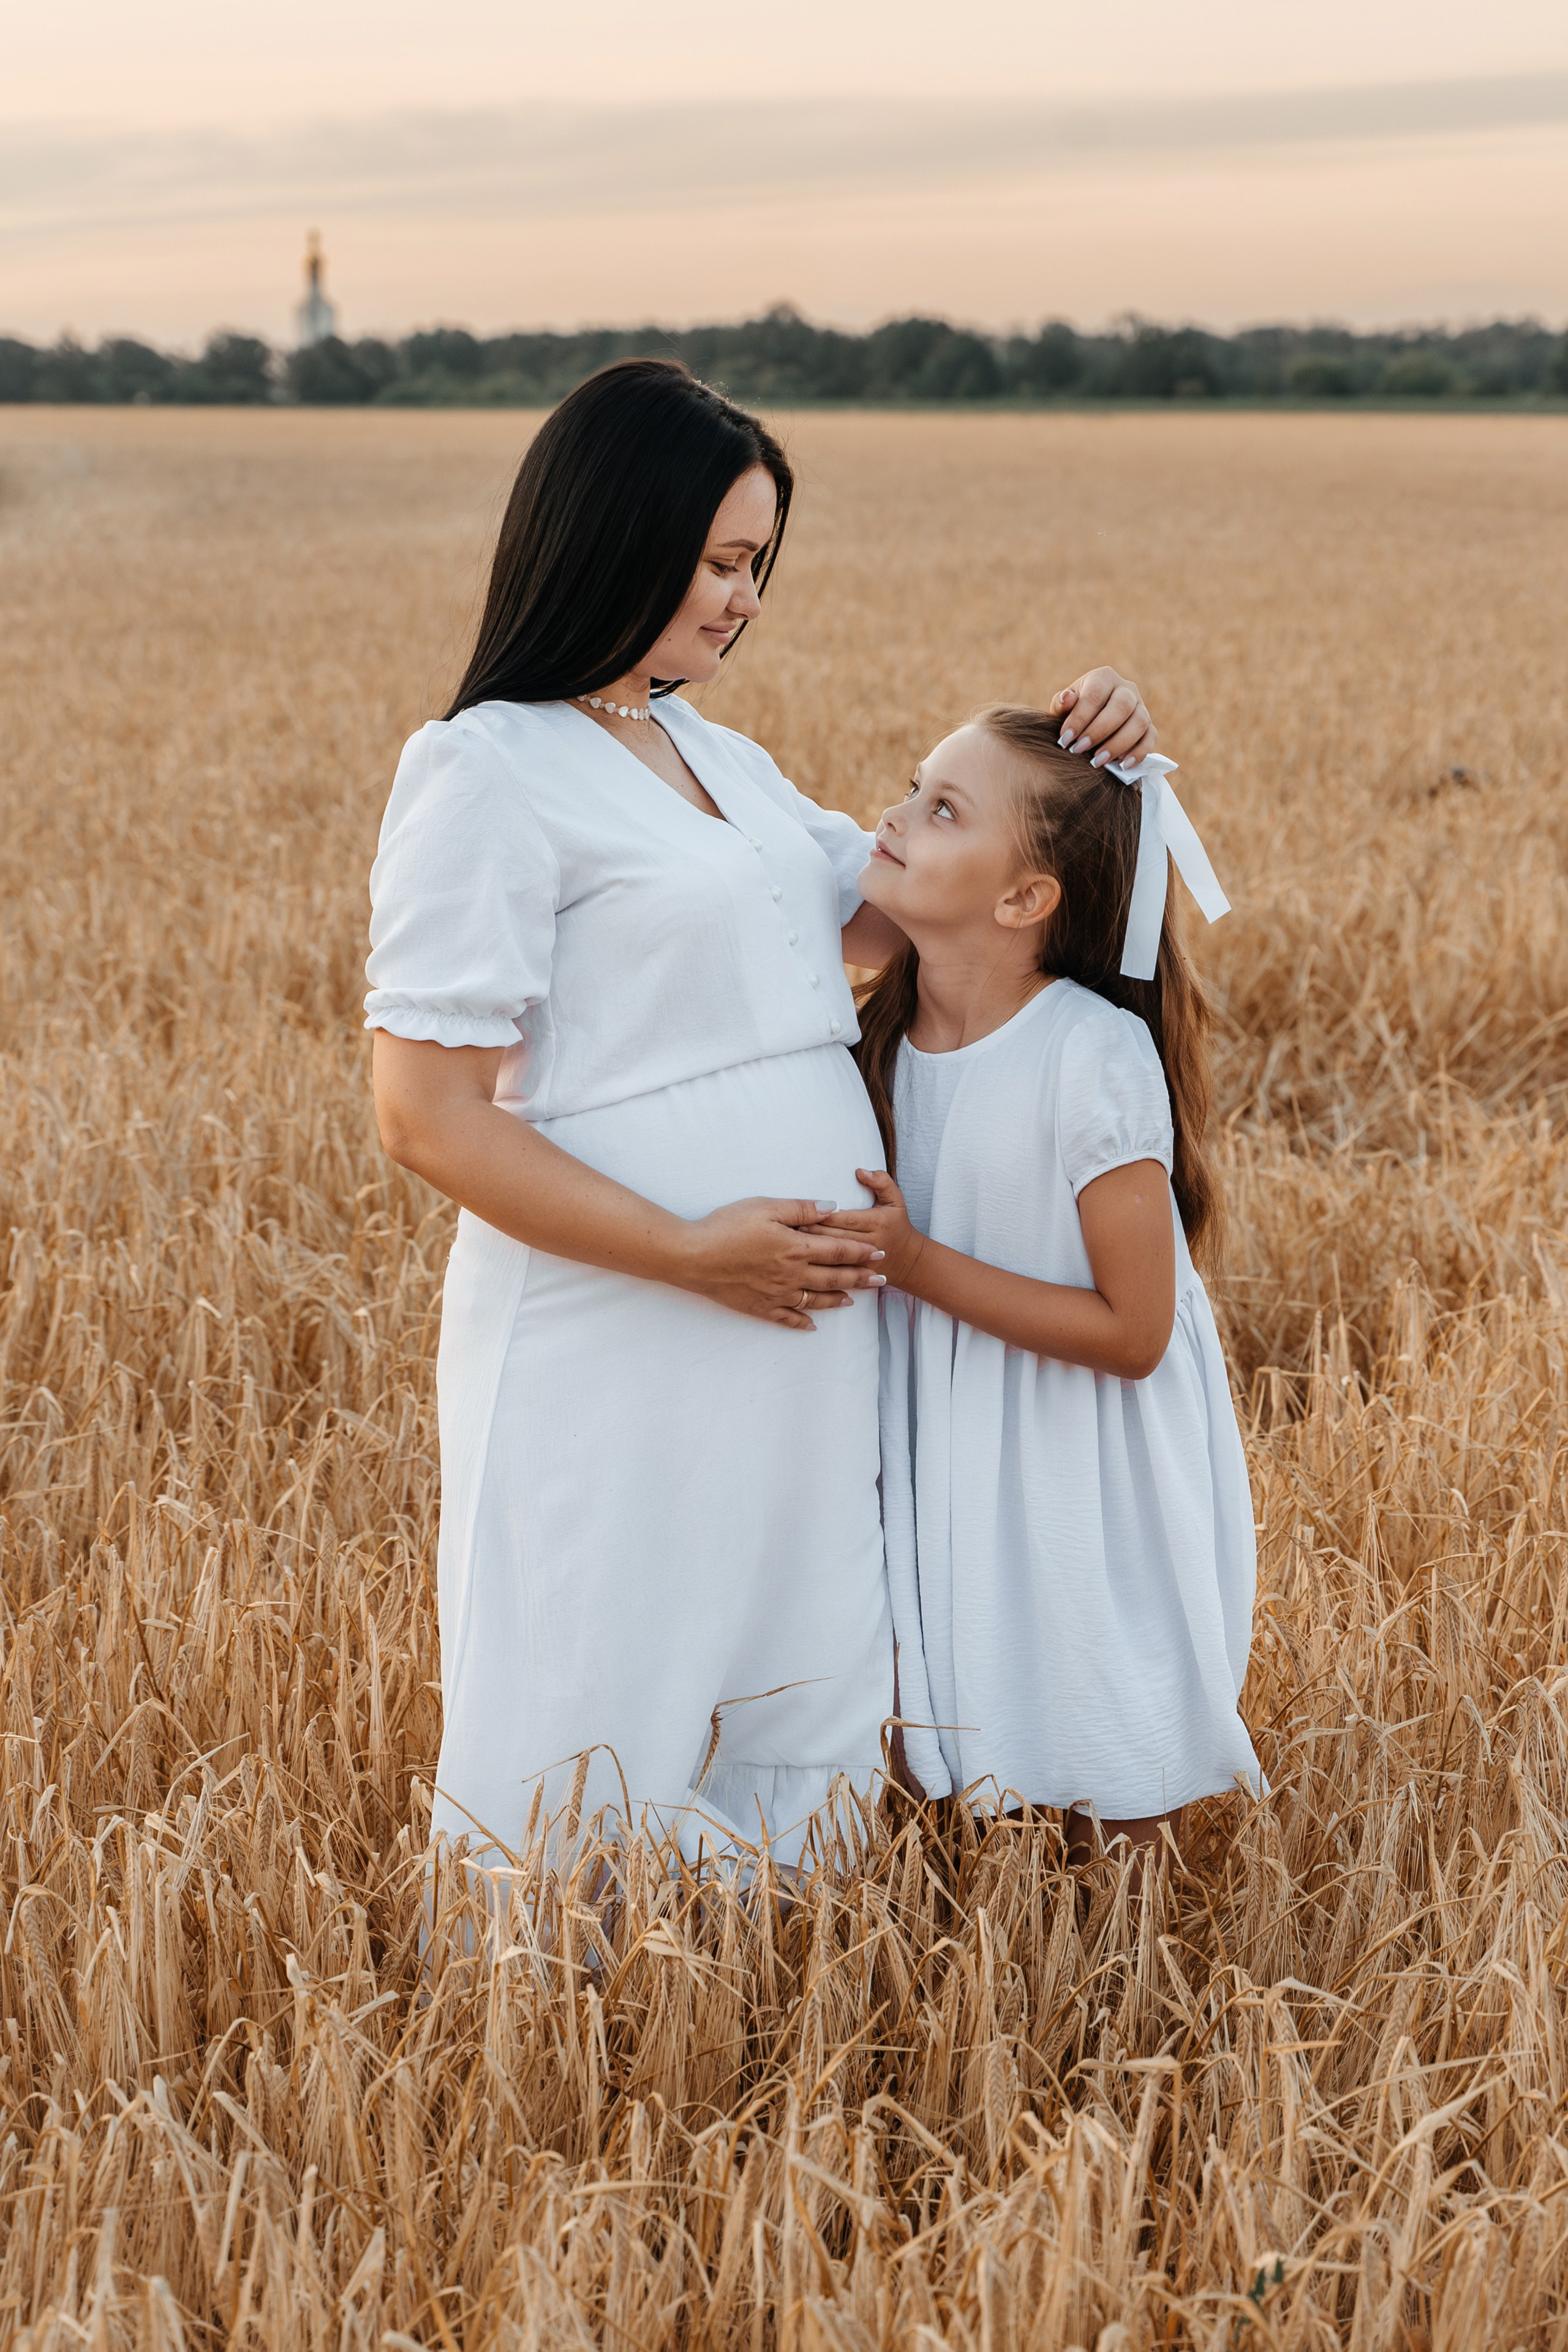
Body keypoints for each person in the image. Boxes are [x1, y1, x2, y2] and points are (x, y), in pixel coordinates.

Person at [366, 358, 1160, 1872]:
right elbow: (424, 1117)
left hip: (793, 1316)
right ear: (618, 531)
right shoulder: (483, 770)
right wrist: (682, 1249)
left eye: (758, 567)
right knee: (608, 1652)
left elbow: (911, 913)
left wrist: (1091, 745)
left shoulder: (718, 760)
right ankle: (558, 2031)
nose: (745, 599)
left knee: (789, 1648)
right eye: (723, 561)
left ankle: (747, 2001)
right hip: (619, 1315)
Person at [813, 705, 1260, 1868]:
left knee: (1100, 1714)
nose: (899, 814)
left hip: (1080, 1442)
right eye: (914, 786)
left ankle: (1134, 1998)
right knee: (935, 1722)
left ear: (1024, 902)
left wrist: (914, 1263)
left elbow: (1133, 1331)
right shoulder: (878, 1035)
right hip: (945, 1429)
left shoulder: (1089, 1054)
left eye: (944, 809)